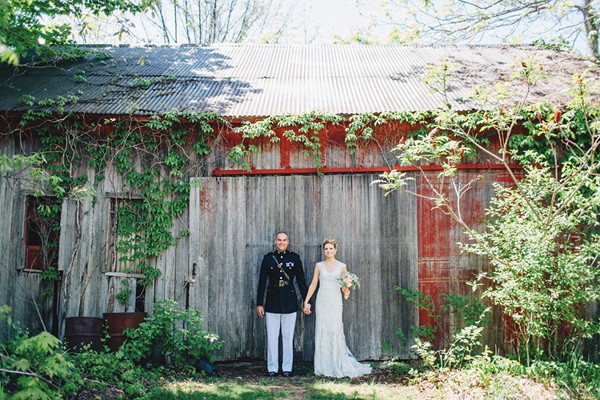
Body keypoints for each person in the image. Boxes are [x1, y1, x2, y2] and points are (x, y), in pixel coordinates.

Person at [303, 237, 372, 378]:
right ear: (324, 250)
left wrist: (346, 290)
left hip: (335, 301)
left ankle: (337, 363)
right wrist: (306, 301)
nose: (328, 251)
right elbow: (314, 284)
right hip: (322, 301)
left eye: (331, 248)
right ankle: (323, 366)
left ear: (335, 249)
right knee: (322, 329)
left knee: (335, 329)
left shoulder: (342, 266)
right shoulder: (319, 266)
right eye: (326, 248)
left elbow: (344, 285)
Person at [256, 231, 309, 377]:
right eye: (279, 240)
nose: (281, 242)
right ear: (275, 241)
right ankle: (272, 368)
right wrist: (259, 303)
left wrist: (306, 301)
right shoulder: (268, 259)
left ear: (288, 241)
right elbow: (262, 282)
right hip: (272, 301)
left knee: (287, 336)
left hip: (289, 301)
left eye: (284, 240)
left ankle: (287, 368)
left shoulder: (294, 258)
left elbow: (301, 281)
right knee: (272, 336)